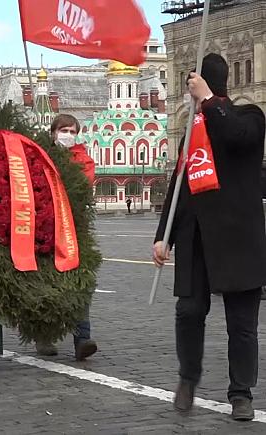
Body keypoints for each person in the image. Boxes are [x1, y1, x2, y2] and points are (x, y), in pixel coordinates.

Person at [152, 54, 266, 421]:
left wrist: (210, 102)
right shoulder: (193, 130)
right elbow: (180, 185)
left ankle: (241, 393)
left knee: (242, 324)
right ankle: (188, 377)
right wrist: (163, 236)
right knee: (188, 312)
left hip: (238, 239)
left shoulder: (250, 117)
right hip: (196, 237)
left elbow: (237, 137)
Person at [34, 114, 98, 361]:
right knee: (44, 283)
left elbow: (82, 184)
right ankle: (43, 335)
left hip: (73, 228)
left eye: (72, 131)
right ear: (53, 132)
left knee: (79, 283)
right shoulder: (39, 155)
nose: (68, 135)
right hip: (43, 228)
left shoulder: (82, 159)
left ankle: (82, 338)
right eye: (63, 130)